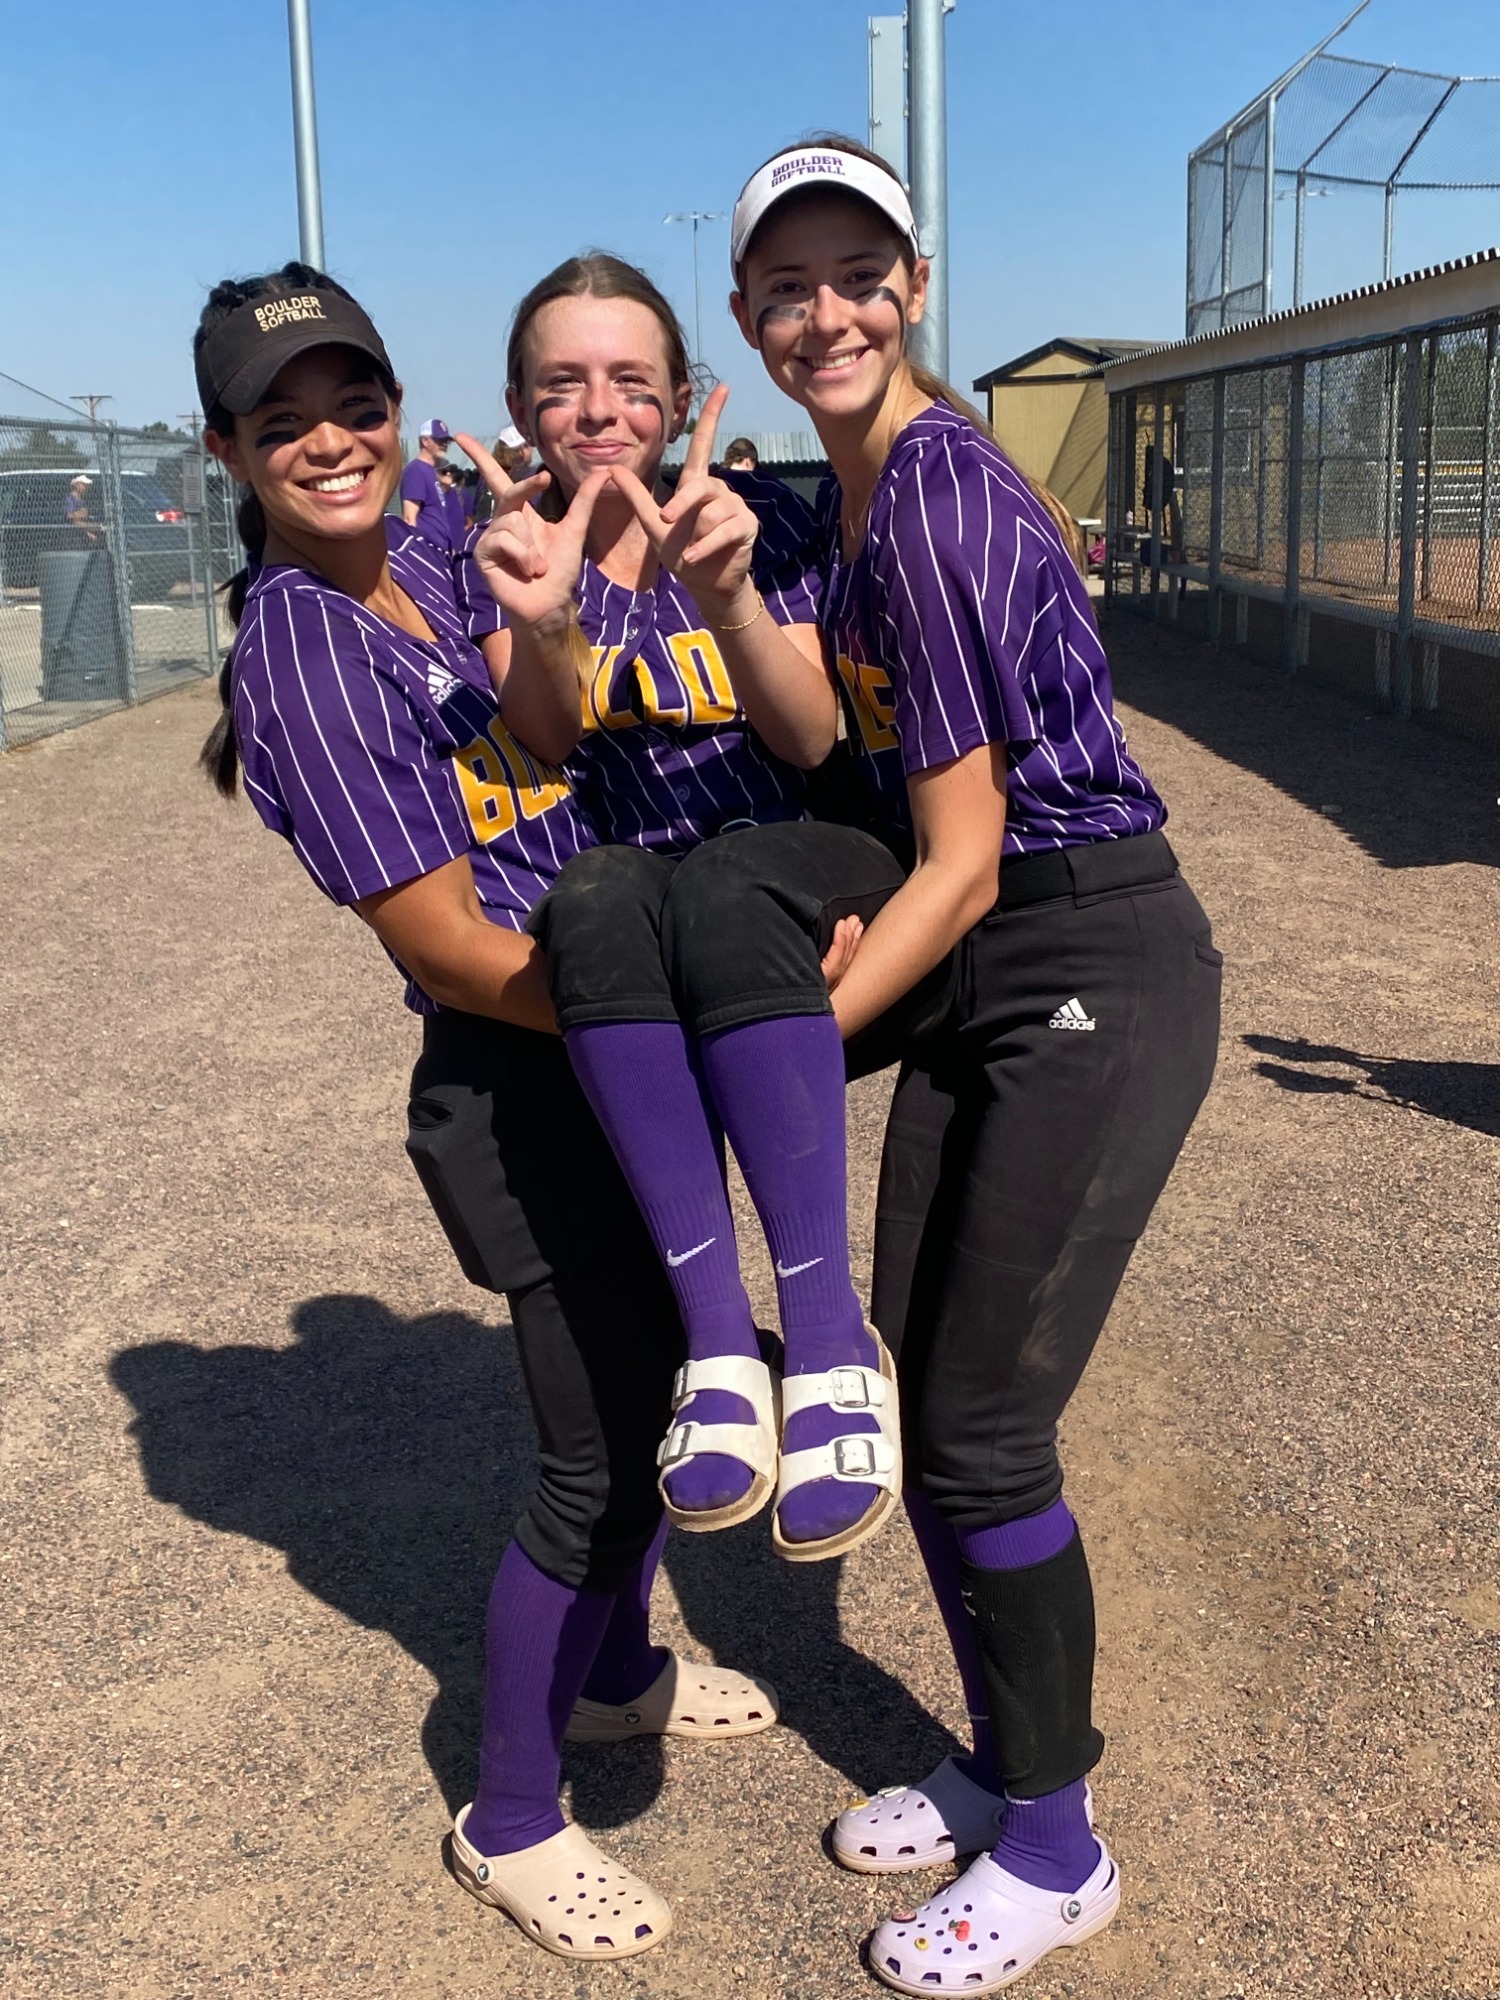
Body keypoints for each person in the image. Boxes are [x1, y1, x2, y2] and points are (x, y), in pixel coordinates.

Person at [192, 261, 777, 1968]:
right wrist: (662, 1014)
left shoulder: (439, 543)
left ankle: (615, 1677)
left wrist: (545, 614)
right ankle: (511, 1814)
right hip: (525, 1067)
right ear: (227, 450)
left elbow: (547, 723)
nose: (330, 443)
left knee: (691, 1366)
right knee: (600, 1459)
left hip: (608, 1030)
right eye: (281, 422)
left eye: (352, 405)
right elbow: (450, 949)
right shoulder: (294, 650)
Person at [726, 137, 1222, 1994]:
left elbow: (969, 856)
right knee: (937, 1410)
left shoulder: (932, 501)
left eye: (859, 273)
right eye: (788, 284)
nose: (825, 310)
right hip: (1000, 956)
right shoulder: (848, 501)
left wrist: (778, 1059)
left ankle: (1062, 1847)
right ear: (749, 315)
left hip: (1090, 953)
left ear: (912, 288)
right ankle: (1006, 1763)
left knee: (991, 1429)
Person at [453, 255, 930, 1566]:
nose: (598, 409)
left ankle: (828, 1339)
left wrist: (719, 595)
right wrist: (547, 620)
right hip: (648, 898)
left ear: (679, 397)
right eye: (562, 384)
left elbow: (818, 734)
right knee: (594, 890)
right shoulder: (503, 542)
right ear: (518, 403)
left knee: (719, 881)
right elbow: (541, 746)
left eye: (630, 380)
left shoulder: (756, 517)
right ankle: (720, 1345)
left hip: (795, 861)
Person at [401, 417, 454, 548]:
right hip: (428, 549)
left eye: (446, 440)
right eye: (440, 440)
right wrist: (417, 551)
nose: (445, 444)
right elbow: (409, 518)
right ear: (425, 441)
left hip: (440, 548)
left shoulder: (431, 471)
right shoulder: (416, 470)